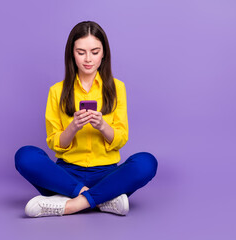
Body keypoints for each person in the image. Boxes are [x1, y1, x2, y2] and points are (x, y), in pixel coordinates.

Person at [15, 21, 158, 218]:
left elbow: (121, 138)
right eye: (81, 52)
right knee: (25, 156)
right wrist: (72, 127)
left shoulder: (117, 88)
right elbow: (56, 144)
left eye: (94, 51)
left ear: (103, 53)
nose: (88, 59)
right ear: (72, 54)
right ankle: (101, 200)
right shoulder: (57, 91)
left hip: (107, 175)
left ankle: (71, 205)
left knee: (146, 162)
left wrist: (102, 126)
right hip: (66, 177)